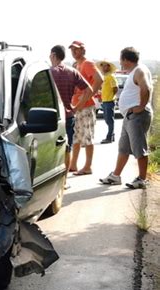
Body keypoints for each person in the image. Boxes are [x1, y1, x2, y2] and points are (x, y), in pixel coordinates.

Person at [100, 47, 153, 189]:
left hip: (137, 115)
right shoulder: (134, 71)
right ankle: (115, 176)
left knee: (139, 147)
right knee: (123, 148)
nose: (120, 62)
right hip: (130, 116)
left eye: (121, 59)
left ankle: (142, 179)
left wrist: (141, 106)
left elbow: (146, 88)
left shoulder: (139, 71)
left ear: (125, 59)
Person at [49, 45, 93, 186]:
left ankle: (51, 182)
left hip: (50, 117)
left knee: (50, 150)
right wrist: (76, 107)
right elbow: (89, 90)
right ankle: (64, 182)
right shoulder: (72, 71)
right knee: (66, 148)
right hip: (68, 116)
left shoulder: (49, 73)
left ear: (54, 55)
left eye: (50, 55)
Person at [69, 41, 104, 175]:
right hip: (78, 106)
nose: (74, 52)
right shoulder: (78, 64)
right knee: (77, 137)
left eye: (76, 49)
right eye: (72, 49)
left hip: (86, 106)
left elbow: (99, 79)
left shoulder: (87, 63)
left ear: (83, 50)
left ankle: (88, 166)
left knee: (87, 137)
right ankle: (73, 164)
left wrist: (89, 95)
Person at [96, 60, 119, 143]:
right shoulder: (104, 77)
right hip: (105, 101)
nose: (103, 67)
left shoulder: (111, 76)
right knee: (106, 119)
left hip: (109, 101)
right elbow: (103, 89)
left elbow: (115, 88)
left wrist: (111, 97)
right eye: (102, 65)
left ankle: (109, 137)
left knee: (109, 119)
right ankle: (111, 135)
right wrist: (101, 96)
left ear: (109, 67)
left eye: (105, 65)